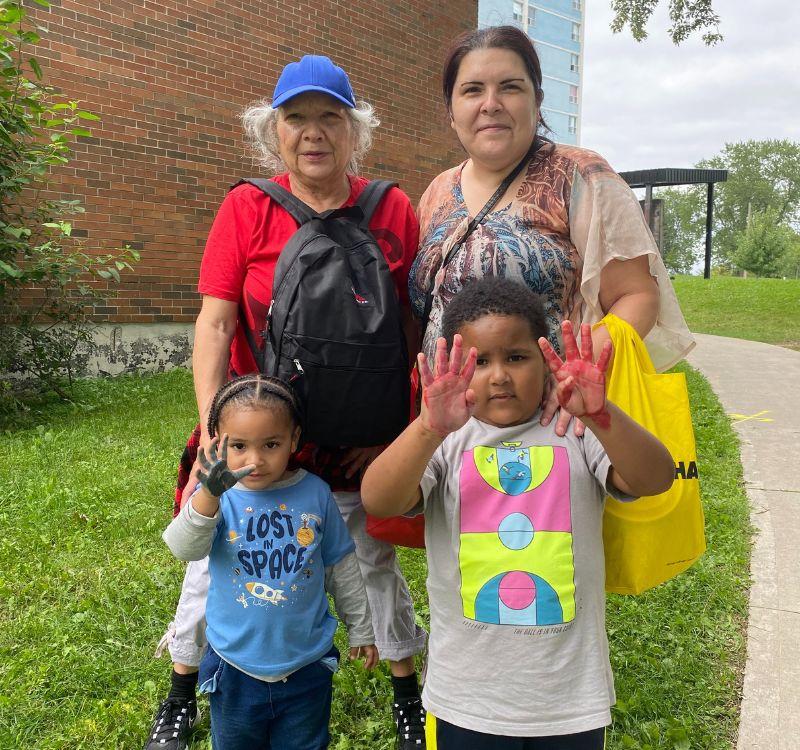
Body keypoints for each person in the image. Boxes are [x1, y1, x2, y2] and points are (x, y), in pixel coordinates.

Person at [146, 55, 427, 750]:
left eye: (329, 116)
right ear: (272, 131)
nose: (312, 133)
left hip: (361, 440)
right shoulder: (246, 206)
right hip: (260, 439)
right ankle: (182, 693)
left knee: (369, 565)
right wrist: (217, 425)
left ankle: (406, 692)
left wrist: (400, 433)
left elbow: (413, 328)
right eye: (295, 118)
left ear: (354, 128)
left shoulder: (392, 207)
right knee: (216, 564)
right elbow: (215, 323)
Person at [361, 277, 675, 748]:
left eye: (516, 357)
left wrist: (602, 414)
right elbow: (378, 499)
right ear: (459, 367)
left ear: (547, 362)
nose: (499, 376)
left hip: (568, 697)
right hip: (466, 697)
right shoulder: (447, 442)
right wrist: (427, 428)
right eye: (480, 361)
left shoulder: (574, 431)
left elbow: (656, 478)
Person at [408, 26, 694, 437]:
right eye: (472, 90)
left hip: (550, 425)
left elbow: (637, 295)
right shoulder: (437, 191)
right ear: (451, 111)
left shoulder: (580, 176)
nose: (491, 105)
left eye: (510, 87)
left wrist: (572, 379)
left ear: (537, 100)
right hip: (448, 431)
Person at [163, 374, 379, 749]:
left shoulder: (315, 493)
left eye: (271, 444)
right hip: (233, 667)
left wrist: (361, 628)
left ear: (294, 439)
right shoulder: (217, 494)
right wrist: (207, 498)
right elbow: (185, 548)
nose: (255, 460)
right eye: (240, 446)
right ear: (217, 439)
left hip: (306, 666)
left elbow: (340, 567)